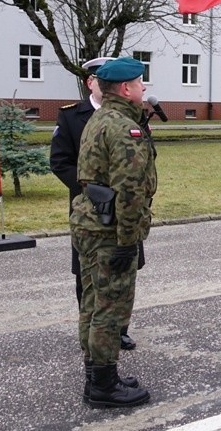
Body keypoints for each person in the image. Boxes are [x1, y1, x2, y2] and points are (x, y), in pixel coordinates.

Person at [70, 57, 157, 408]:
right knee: (110, 307)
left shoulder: (100, 118)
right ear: (125, 89)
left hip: (90, 224)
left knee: (92, 303)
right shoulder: (122, 128)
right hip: (110, 232)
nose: (143, 88)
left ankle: (98, 373)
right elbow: (130, 189)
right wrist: (128, 241)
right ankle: (103, 387)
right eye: (139, 83)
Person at [50, 57, 141, 351]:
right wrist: (94, 191)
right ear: (91, 82)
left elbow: (136, 164)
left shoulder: (130, 118)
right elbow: (61, 162)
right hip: (96, 212)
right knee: (90, 279)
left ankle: (116, 332)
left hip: (119, 213)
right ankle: (97, 347)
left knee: (120, 280)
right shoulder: (74, 116)